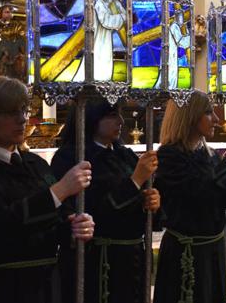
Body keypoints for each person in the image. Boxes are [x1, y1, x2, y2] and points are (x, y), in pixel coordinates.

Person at [0, 75, 95, 303]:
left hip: (48, 283)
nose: (22, 119)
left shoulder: (35, 164)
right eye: (10, 112)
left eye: (24, 110)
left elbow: (59, 216)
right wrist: (59, 191)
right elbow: (3, 223)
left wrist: (76, 225)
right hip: (4, 285)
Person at [51, 99, 160, 303]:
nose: (120, 121)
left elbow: (142, 205)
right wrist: (135, 181)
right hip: (99, 260)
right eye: (111, 115)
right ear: (91, 117)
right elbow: (93, 211)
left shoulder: (124, 155)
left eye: (119, 114)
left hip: (132, 258)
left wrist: (151, 202)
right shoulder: (72, 157)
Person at [153, 91, 226, 303]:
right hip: (185, 252)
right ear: (189, 117)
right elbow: (199, 193)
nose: (216, 120)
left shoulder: (207, 154)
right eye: (208, 113)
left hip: (212, 251)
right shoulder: (169, 156)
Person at [75, 0, 126, 82]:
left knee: (103, 57)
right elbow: (106, 21)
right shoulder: (99, 4)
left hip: (104, 36)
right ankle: (96, 79)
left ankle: (102, 79)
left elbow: (123, 15)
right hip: (99, 38)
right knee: (99, 56)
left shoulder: (106, 5)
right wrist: (120, 17)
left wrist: (118, 6)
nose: (110, 1)